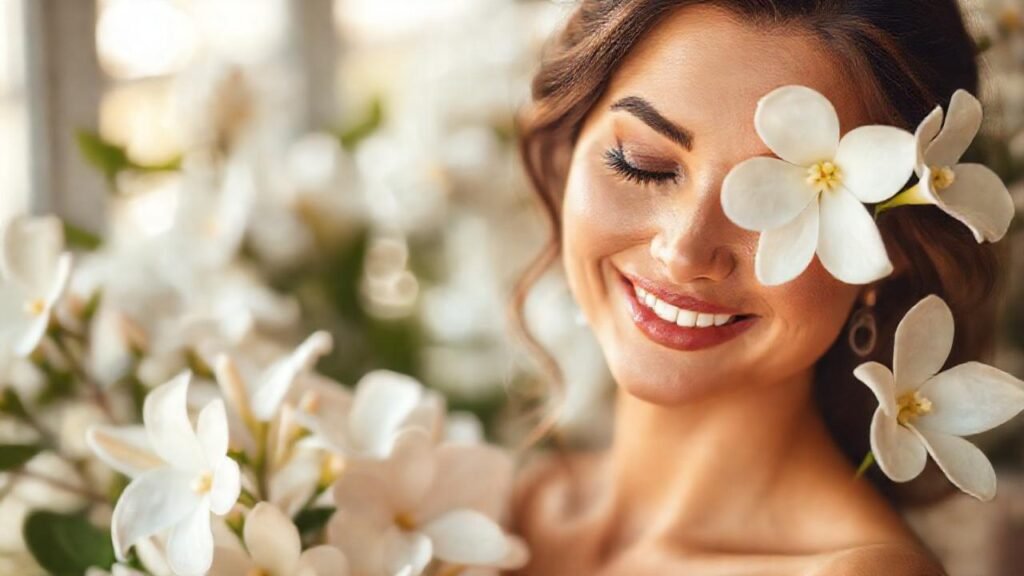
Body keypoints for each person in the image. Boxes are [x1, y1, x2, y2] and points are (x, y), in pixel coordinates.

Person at [509, 1, 1003, 574]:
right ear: (570, 146)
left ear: (890, 249)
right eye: (642, 164)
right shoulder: (505, 502)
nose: (684, 253)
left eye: (776, 204)